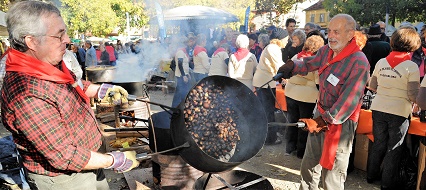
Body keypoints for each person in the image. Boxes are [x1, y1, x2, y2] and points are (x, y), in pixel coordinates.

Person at [1, 1, 138, 189]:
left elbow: (74, 84)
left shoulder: (48, 64)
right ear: (31, 41)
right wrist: (112, 160)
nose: (67, 40)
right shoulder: (26, 94)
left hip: (91, 160)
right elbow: (63, 155)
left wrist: (99, 90)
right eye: (59, 35)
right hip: (65, 178)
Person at [276, 14, 369, 189]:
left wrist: (322, 121)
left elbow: (348, 101)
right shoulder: (327, 50)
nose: (331, 36)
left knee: (332, 174)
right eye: (329, 31)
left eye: (336, 32)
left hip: (341, 121)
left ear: (350, 34)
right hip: (320, 112)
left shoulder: (359, 62)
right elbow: (311, 63)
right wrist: (293, 66)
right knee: (309, 164)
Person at [366, 27, 421, 189]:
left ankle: (371, 175)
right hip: (399, 111)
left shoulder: (381, 62)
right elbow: (412, 95)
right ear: (412, 44)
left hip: (378, 107)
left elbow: (373, 86)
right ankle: (387, 183)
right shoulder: (411, 67)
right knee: (394, 147)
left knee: (379, 143)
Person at [284, 35, 324, 158]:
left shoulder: (296, 56)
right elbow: (318, 82)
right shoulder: (315, 61)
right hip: (307, 97)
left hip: (291, 93)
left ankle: (290, 148)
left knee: (292, 121)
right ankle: (301, 152)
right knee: (304, 123)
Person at [252, 28, 287, 145]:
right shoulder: (273, 48)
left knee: (265, 111)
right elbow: (280, 66)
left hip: (265, 82)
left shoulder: (271, 47)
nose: (287, 40)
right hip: (265, 83)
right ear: (281, 39)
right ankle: (269, 139)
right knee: (268, 112)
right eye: (286, 38)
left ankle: (264, 136)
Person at [171, 36, 192, 107]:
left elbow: (185, 64)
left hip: (183, 75)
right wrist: (183, 75)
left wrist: (187, 73)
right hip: (180, 76)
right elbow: (180, 64)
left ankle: (176, 108)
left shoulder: (183, 51)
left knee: (180, 92)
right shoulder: (180, 52)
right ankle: (178, 108)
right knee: (181, 93)